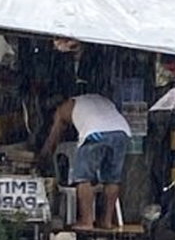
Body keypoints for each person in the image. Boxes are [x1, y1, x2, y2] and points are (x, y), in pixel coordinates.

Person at [40, 93, 131, 231]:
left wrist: (44, 155)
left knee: (83, 178)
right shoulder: (100, 99)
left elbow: (55, 134)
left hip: (95, 133)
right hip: (121, 131)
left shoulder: (65, 107)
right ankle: (107, 221)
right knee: (112, 179)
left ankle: (86, 221)